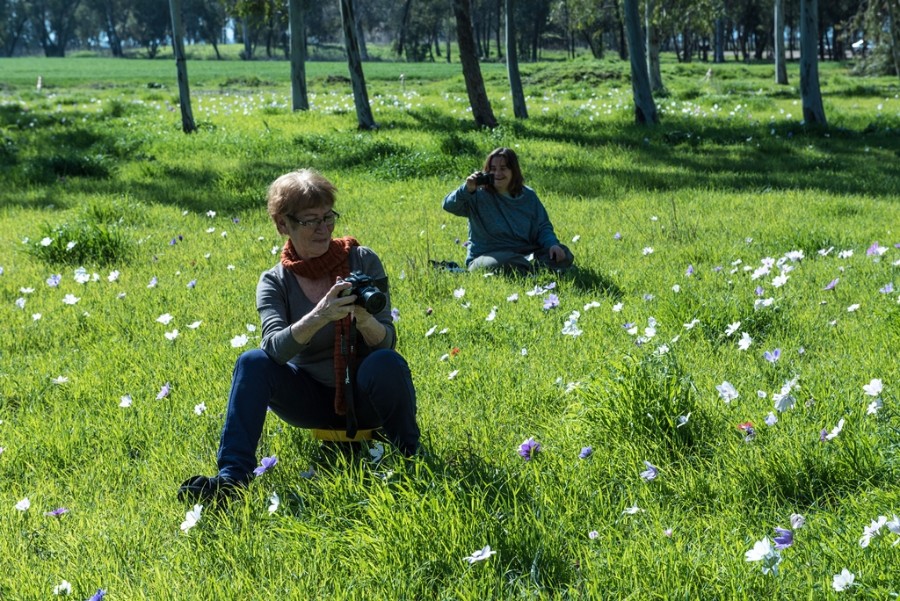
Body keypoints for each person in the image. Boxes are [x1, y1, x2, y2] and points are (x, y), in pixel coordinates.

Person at [179, 169, 421, 502]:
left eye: (328, 217)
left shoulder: (362, 260)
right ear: (283, 225)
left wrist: (364, 319)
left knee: (385, 361)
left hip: (368, 394)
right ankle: (231, 480)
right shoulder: (274, 282)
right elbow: (274, 349)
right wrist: (320, 315)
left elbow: (387, 340)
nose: (324, 229)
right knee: (252, 362)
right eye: (310, 221)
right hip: (311, 399)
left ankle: (411, 461)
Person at [442, 147, 574, 274]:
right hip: (488, 256)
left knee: (563, 253)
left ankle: (531, 268)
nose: (498, 173)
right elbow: (448, 205)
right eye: (493, 169)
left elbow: (542, 226)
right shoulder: (476, 194)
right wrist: (466, 189)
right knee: (504, 262)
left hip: (526, 252)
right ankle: (539, 269)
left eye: (503, 168)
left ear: (513, 171)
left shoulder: (528, 196)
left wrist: (552, 245)